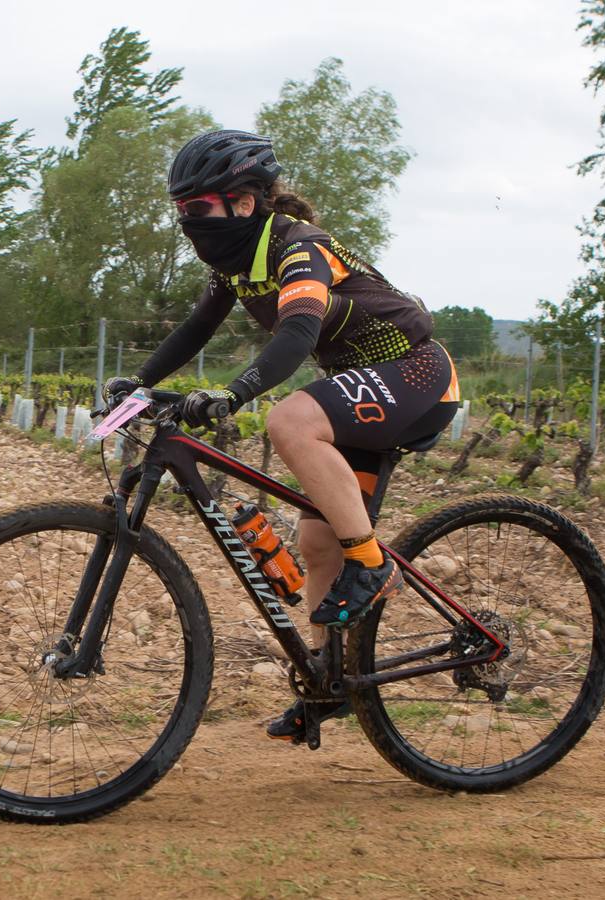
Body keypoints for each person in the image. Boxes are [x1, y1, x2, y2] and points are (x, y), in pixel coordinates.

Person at [105, 129, 460, 743]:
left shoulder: (301, 249)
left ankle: (373, 566)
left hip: (417, 375)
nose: (189, 223)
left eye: (198, 209)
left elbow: (296, 336)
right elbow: (194, 330)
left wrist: (234, 393)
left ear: (244, 202)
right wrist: (136, 383)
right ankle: (332, 681)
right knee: (321, 546)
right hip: (362, 393)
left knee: (288, 419)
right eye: (182, 212)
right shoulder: (236, 265)